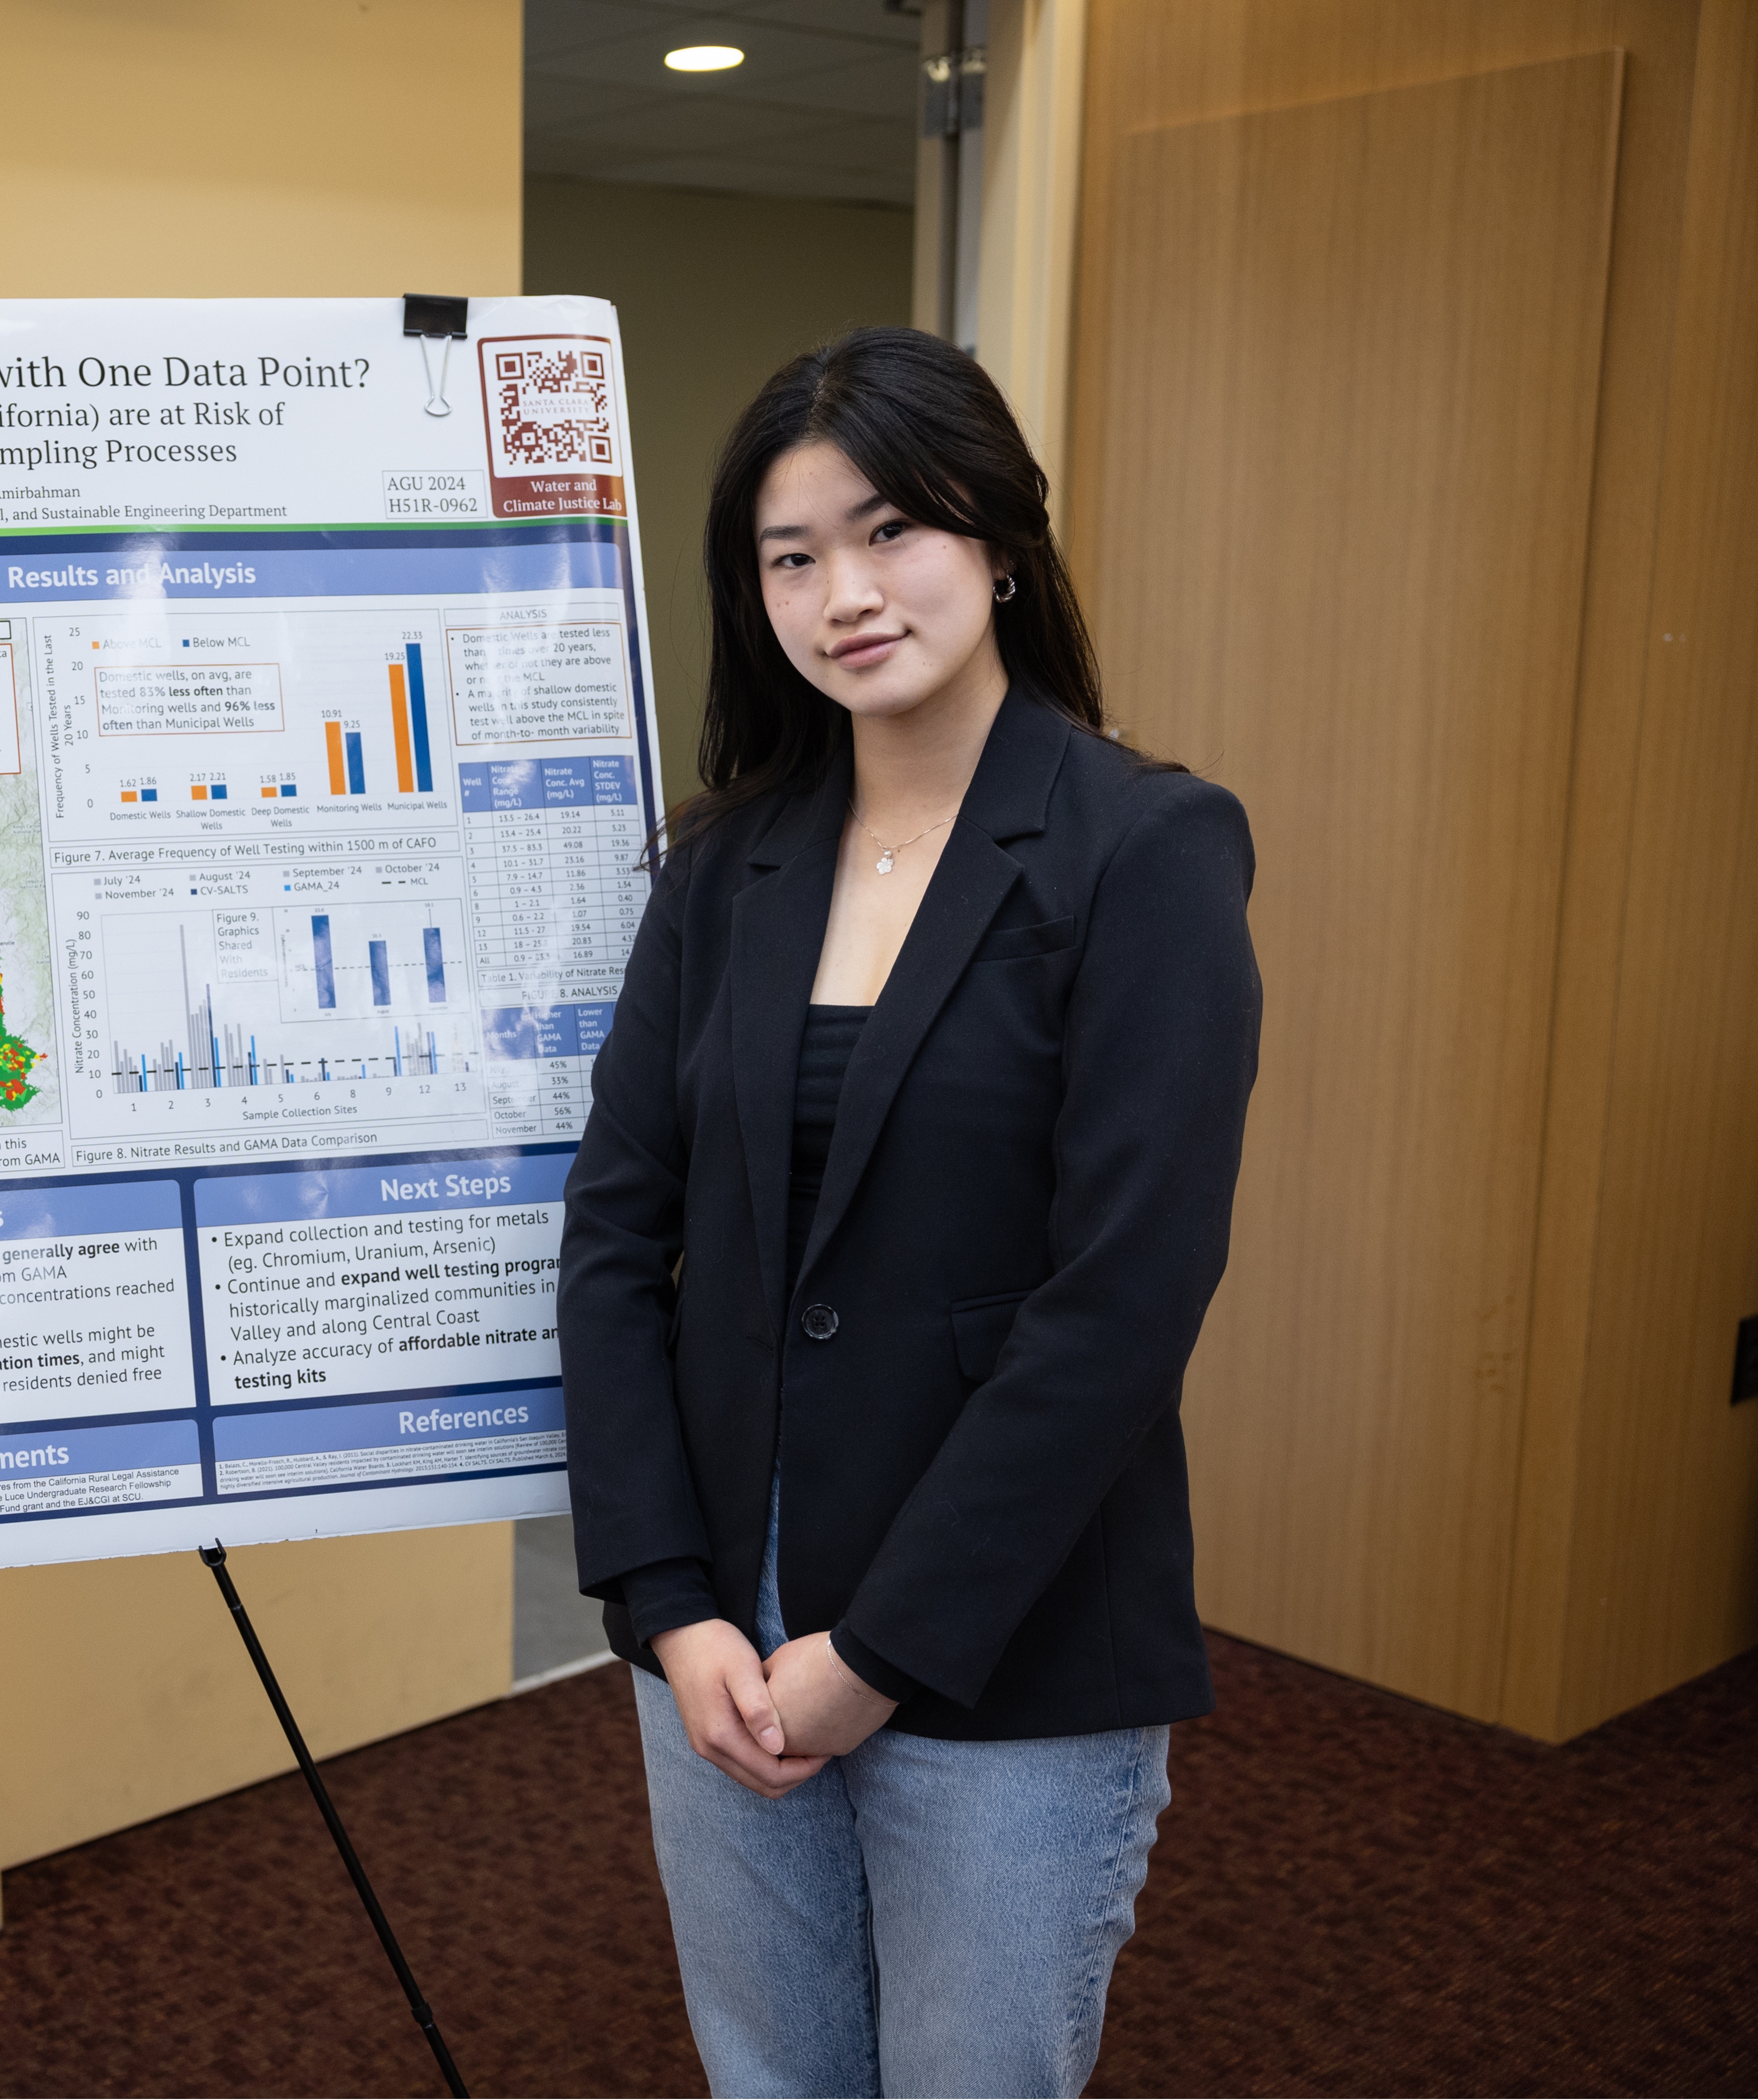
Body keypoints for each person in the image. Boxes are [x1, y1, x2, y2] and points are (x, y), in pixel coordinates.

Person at [558, 327, 1261, 2098]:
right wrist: (667, 1601)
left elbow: (1122, 1303)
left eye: (891, 532)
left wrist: (878, 1656)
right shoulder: (724, 865)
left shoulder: (1143, 848)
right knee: (772, 2077)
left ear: (999, 538)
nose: (846, 595)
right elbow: (615, 1238)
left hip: (1002, 1622)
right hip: (722, 1620)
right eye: (791, 558)